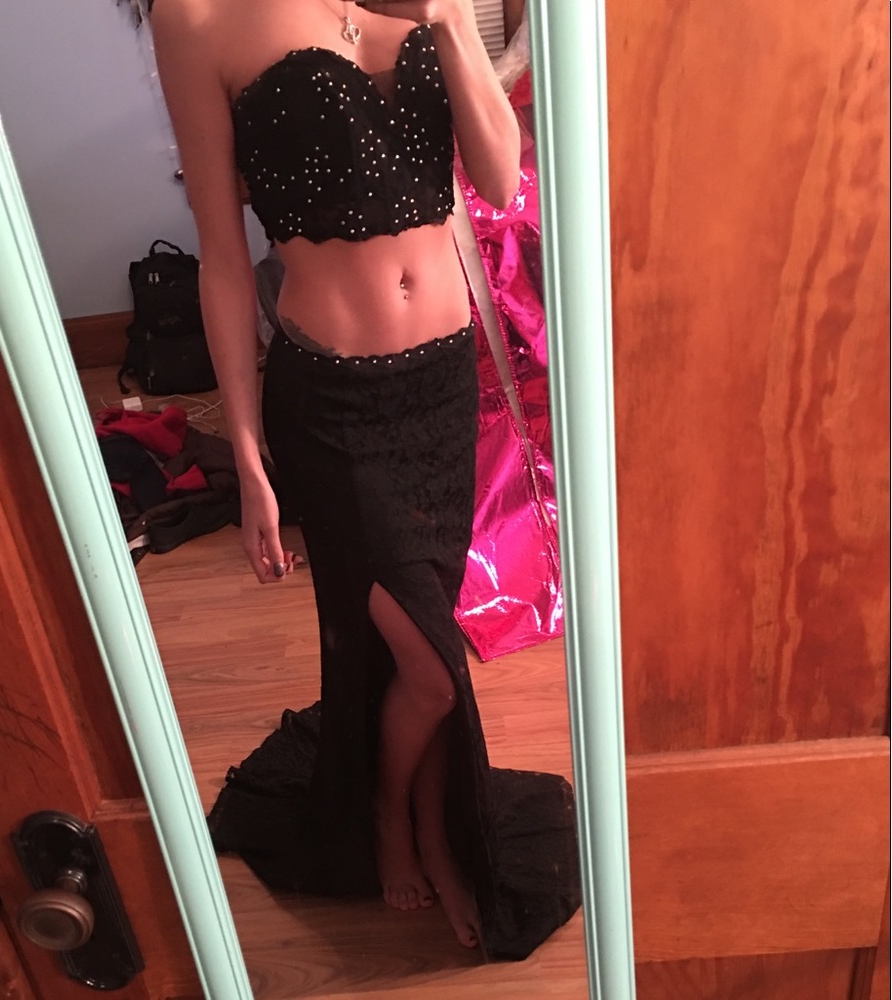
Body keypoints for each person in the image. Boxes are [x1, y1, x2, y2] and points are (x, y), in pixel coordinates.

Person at [152, 0, 580, 957]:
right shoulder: (199, 18)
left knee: (418, 639)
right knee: (430, 665)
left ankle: (432, 822)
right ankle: (395, 819)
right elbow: (222, 261)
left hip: (442, 382)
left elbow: (499, 174)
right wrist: (248, 455)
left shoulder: (424, 5)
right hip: (333, 403)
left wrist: (448, 19)